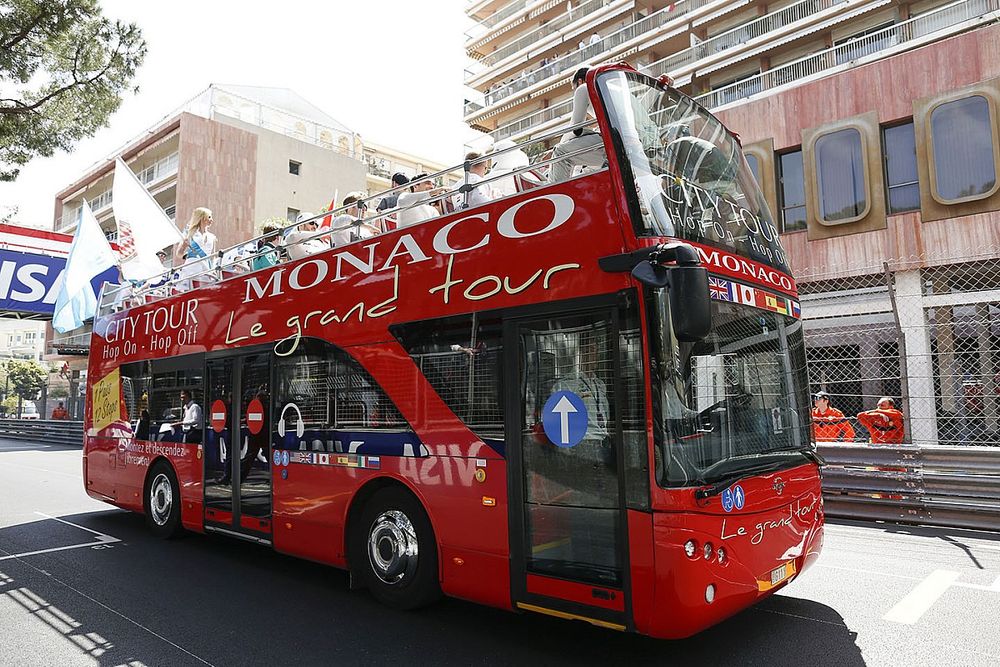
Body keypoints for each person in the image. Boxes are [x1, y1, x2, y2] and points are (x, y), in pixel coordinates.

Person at [550, 68, 606, 183]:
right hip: (629, 144)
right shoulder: (609, 89)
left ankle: (555, 195)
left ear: (580, 81)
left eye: (574, 87)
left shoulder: (584, 88)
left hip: (610, 146)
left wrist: (562, 142)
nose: (575, 91)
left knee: (560, 152)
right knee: (585, 171)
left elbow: (576, 129)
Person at [174, 207, 218, 286]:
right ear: (201, 217)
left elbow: (213, 256)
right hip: (192, 267)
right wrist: (184, 247)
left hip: (207, 268)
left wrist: (214, 268)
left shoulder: (212, 237)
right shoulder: (190, 233)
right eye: (209, 217)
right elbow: (179, 253)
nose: (212, 219)